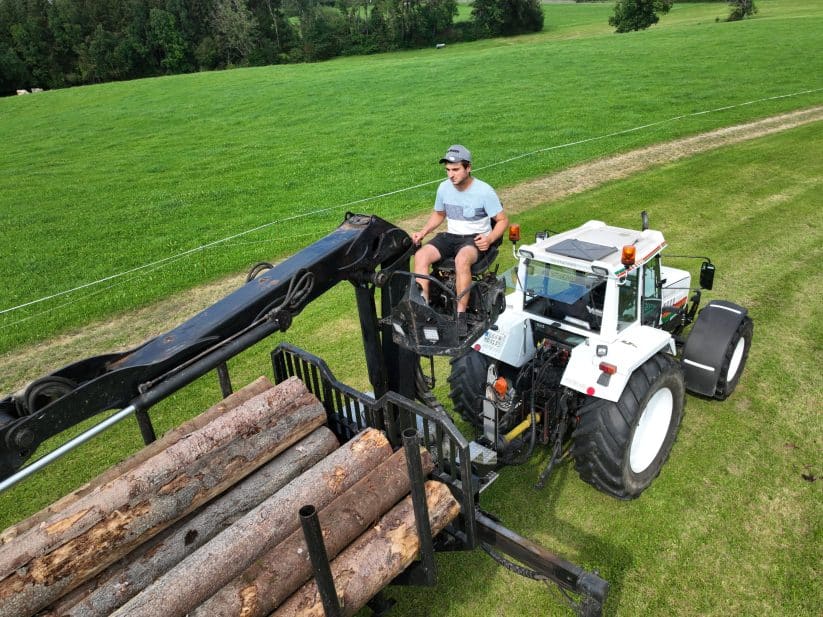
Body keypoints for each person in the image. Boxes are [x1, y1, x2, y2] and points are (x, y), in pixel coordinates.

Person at [412, 144, 508, 333]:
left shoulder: (484, 191)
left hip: (473, 239)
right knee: (421, 256)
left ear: (468, 168)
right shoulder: (443, 188)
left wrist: (489, 239)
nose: (451, 175)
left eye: (455, 170)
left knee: (461, 259)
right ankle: (422, 309)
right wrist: (423, 232)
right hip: (451, 236)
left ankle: (460, 315)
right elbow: (439, 214)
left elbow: (502, 220)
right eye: (448, 170)